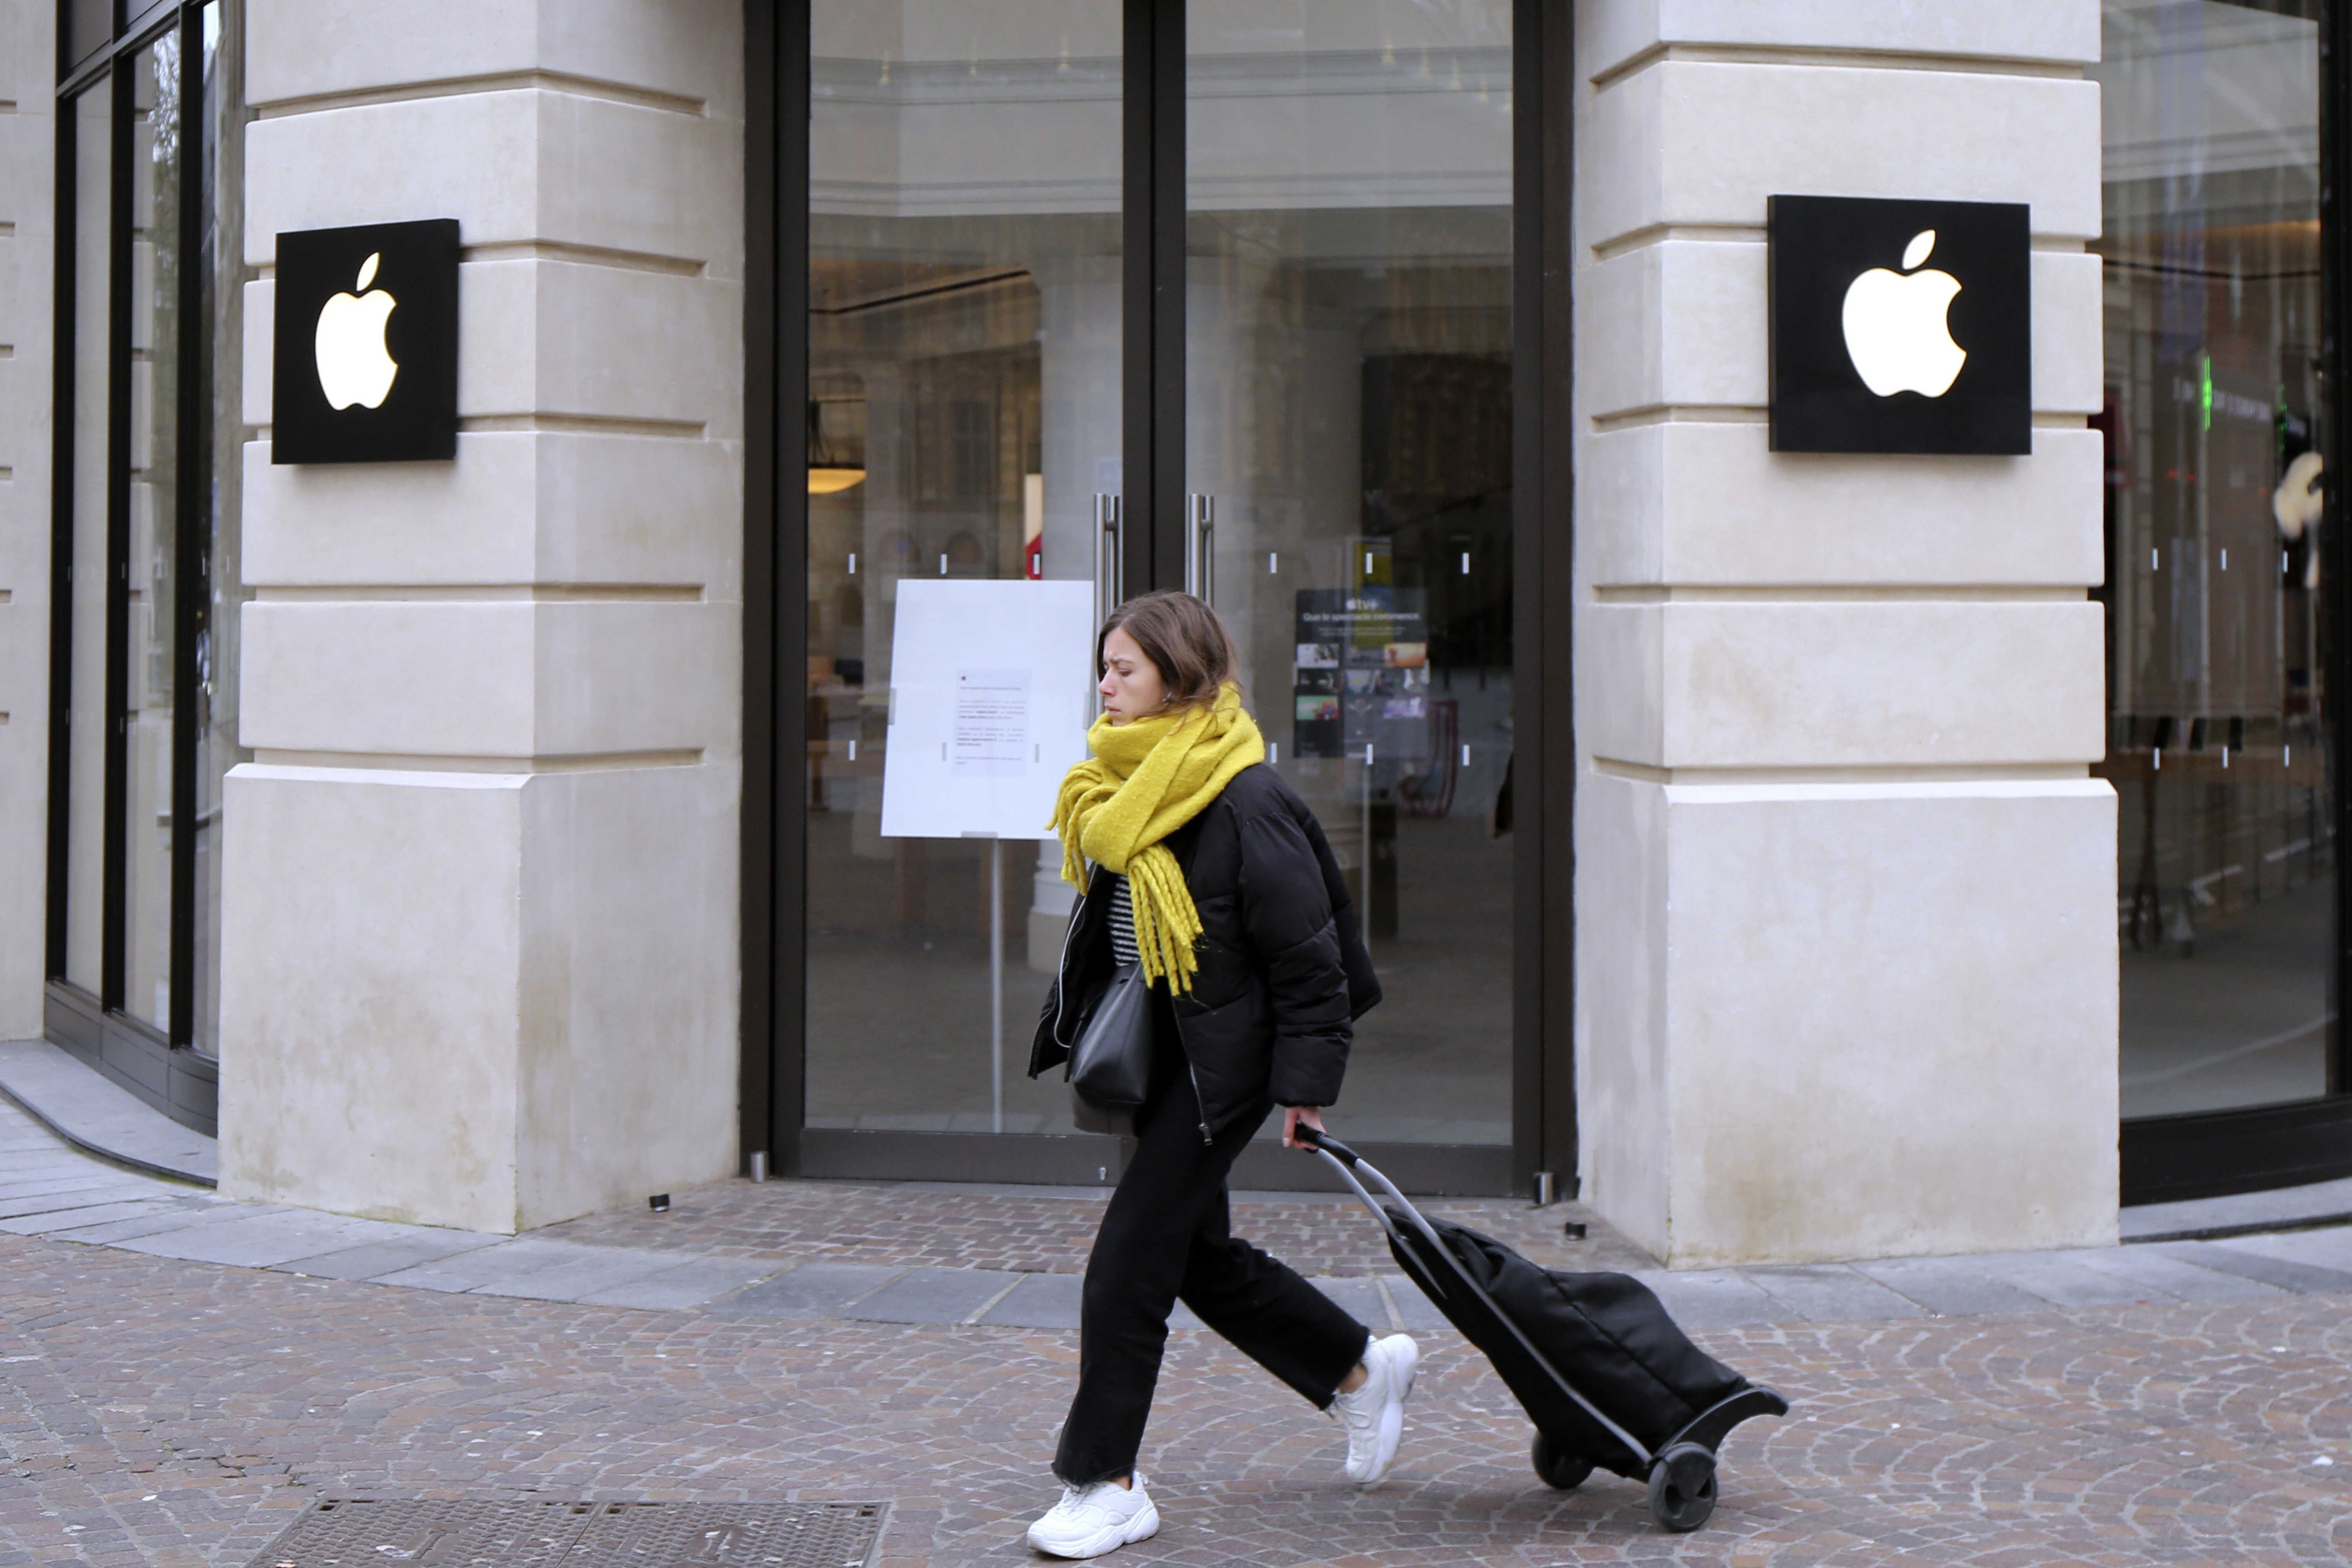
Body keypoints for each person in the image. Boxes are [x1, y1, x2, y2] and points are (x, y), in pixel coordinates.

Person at [1022, 590, 1416, 1560]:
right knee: (1194, 1255)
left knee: (1128, 1261)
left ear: (1179, 675)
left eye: (1124, 668)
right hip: (1160, 1051)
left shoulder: (1246, 795)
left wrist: (1304, 1086)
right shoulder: (1119, 782)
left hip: (1221, 1063)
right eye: (1104, 667)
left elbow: (1309, 956)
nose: (1105, 684)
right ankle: (1359, 1365)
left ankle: (1106, 1480)